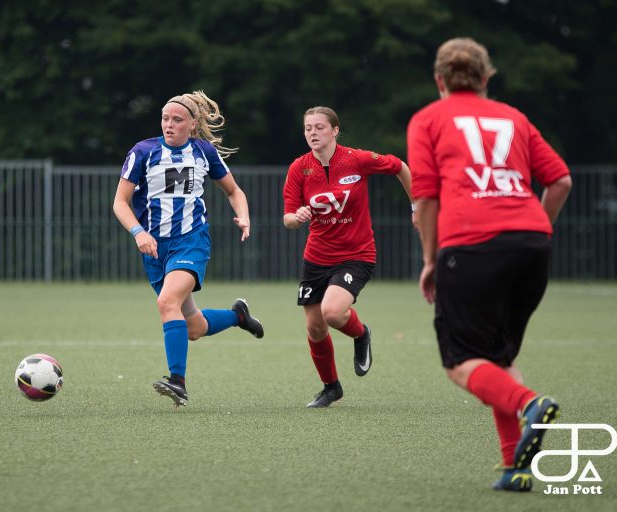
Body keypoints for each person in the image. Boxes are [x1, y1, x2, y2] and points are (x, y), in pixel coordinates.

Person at [407, 38, 573, 491]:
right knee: (498, 360)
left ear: (440, 80)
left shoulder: (428, 119)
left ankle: (531, 402)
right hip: (532, 245)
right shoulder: (514, 117)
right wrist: (536, 226)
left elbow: (426, 197)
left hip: (473, 246)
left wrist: (430, 259)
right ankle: (515, 468)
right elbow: (559, 181)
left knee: (461, 363)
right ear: (485, 78)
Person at [112, 90, 264, 408]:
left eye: (177, 120)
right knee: (193, 327)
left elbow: (234, 191)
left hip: (191, 241)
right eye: (165, 119)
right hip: (154, 249)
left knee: (167, 302)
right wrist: (139, 232)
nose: (169, 124)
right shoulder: (143, 152)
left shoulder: (203, 152)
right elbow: (120, 203)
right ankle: (238, 316)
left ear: (192, 124)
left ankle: (177, 382)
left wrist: (244, 214)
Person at [283, 106, 415, 408]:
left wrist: (416, 207)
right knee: (315, 327)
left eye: (319, 127)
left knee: (332, 312)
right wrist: (297, 217)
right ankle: (331, 388)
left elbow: (400, 167)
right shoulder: (298, 169)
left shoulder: (357, 159)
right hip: (316, 257)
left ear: (335, 130)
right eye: (307, 128)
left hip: (356, 255)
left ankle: (361, 333)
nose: (312, 133)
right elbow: (288, 219)